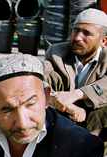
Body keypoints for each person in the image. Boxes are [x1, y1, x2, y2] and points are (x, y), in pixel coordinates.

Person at [44, 8, 107, 140]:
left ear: (103, 41)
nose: (78, 38)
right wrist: (69, 107)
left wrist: (77, 94)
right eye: (76, 30)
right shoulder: (57, 52)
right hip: (62, 120)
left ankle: (90, 147)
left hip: (97, 128)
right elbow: (38, 80)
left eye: (87, 33)